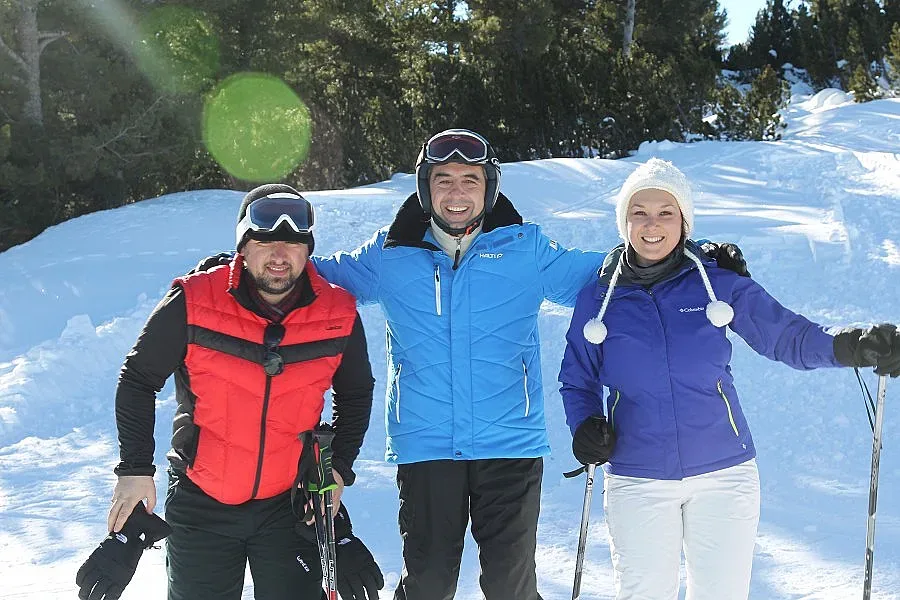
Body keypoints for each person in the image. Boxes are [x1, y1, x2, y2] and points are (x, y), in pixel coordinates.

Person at [305, 130, 750, 600]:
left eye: (470, 180)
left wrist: (697, 256)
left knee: (511, 587)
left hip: (510, 445)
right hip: (426, 445)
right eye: (444, 180)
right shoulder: (389, 256)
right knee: (427, 585)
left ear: (489, 187)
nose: (457, 193)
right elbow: (310, 277)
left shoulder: (525, 249)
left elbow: (615, 271)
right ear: (424, 187)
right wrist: (256, 256)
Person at [557, 158, 900, 600]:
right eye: (639, 212)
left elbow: (787, 337)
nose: (652, 224)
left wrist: (852, 344)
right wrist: (584, 424)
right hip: (637, 478)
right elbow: (577, 379)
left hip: (724, 474)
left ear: (684, 222)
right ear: (624, 221)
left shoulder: (716, 284)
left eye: (666, 212)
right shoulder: (598, 299)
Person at [96, 184, 383, 600]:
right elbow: (138, 378)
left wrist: (337, 468)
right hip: (202, 501)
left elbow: (356, 392)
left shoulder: (337, 312)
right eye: (264, 242)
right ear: (243, 248)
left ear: (308, 249)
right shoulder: (193, 299)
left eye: (293, 243)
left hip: (290, 505)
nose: (279, 255)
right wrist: (135, 470)